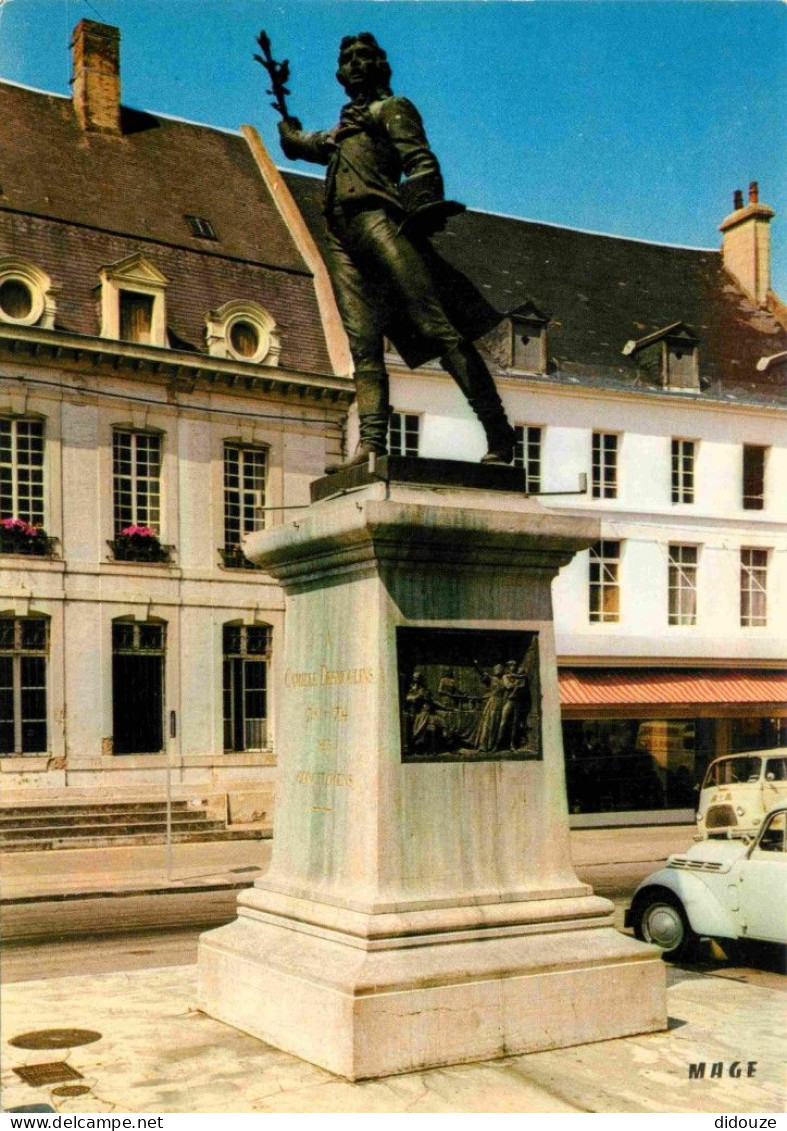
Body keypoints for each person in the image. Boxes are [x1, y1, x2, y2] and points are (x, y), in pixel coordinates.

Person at [277, 33, 516, 472]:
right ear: (339, 73)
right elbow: (305, 146)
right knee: (363, 345)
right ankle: (371, 444)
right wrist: (289, 133)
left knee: (437, 326)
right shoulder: (343, 130)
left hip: (379, 222)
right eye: (347, 59)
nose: (355, 64)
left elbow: (422, 162)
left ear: (381, 66)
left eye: (364, 57)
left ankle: (499, 431)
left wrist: (423, 208)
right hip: (340, 236)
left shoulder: (391, 109)